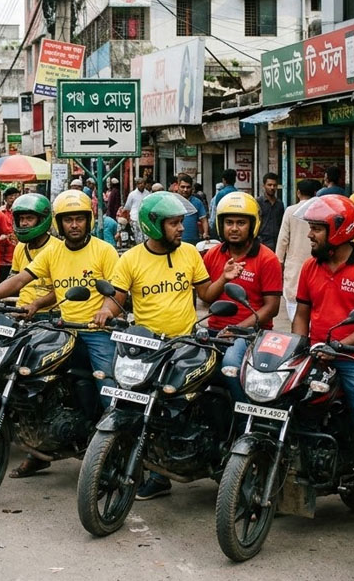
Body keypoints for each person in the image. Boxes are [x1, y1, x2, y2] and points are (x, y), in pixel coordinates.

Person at [0, 191, 119, 476]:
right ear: (59, 224)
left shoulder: (104, 250)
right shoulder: (53, 252)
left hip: (96, 332)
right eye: (68, 220)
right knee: (35, 380)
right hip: (62, 329)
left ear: (88, 221)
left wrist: (107, 311)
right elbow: (21, 279)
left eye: (79, 219)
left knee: (108, 388)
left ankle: (112, 449)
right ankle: (39, 449)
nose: (74, 225)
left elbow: (117, 292)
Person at [93, 191, 222, 500]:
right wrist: (105, 312)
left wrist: (224, 279)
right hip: (146, 347)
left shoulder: (190, 253)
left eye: (181, 223)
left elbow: (206, 295)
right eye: (174, 224)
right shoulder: (131, 259)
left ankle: (222, 461)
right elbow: (117, 298)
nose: (181, 229)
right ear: (153, 226)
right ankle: (155, 473)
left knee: (214, 395)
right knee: (135, 403)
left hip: (187, 344)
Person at [292, 194, 354, 512]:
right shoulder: (309, 266)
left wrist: (340, 346)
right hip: (316, 355)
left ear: (338, 231)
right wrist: (296, 348)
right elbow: (302, 314)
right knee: (289, 409)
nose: (310, 235)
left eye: (317, 229)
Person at [202, 192, 282, 401]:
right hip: (214, 331)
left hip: (252, 335)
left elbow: (271, 307)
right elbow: (207, 298)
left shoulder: (267, 259)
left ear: (252, 225)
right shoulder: (213, 254)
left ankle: (244, 418)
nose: (234, 228)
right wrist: (224, 278)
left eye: (241, 223)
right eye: (229, 222)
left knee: (230, 365)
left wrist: (237, 329)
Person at [276, 179, 320, 320]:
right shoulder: (320, 211)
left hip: (295, 266)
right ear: (315, 193)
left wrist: (278, 263)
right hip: (316, 263)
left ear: (298, 193)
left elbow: (283, 240)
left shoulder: (290, 211)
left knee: (294, 306)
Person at [175, 173, 207, 245]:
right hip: (176, 241)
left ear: (192, 188)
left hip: (194, 242)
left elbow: (204, 220)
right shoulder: (172, 201)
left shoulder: (197, 202)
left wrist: (206, 233)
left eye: (188, 187)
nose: (185, 190)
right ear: (178, 187)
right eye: (182, 187)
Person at [257, 172, 283, 251]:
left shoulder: (279, 204)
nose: (272, 187)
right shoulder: (258, 202)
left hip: (277, 243)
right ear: (264, 186)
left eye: (274, 185)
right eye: (269, 185)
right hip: (261, 242)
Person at [123, 177, 149, 243]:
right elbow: (127, 206)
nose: (141, 185)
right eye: (139, 183)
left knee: (146, 236)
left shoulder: (148, 194)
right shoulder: (132, 194)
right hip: (135, 218)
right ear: (137, 185)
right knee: (138, 236)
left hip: (145, 218)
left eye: (143, 183)